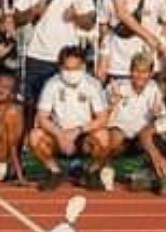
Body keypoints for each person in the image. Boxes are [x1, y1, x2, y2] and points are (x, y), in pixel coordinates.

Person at [14, 0, 95, 110]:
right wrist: (33, 11)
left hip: (68, 59)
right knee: (34, 106)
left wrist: (76, 16)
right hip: (38, 56)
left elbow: (89, 23)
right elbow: (17, 19)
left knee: (66, 107)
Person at [28, 44, 109, 189]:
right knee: (35, 136)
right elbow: (42, 117)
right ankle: (54, 171)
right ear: (60, 67)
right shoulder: (52, 84)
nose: (71, 73)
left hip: (83, 135)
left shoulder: (93, 84)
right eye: (67, 68)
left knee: (103, 136)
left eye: (75, 68)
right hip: (58, 135)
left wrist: (78, 131)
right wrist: (60, 135)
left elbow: (102, 118)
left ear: (83, 66)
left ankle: (92, 172)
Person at [88, 52, 166, 193]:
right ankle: (98, 170)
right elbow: (98, 118)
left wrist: (157, 116)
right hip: (119, 135)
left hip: (141, 137)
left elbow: (162, 121)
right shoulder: (116, 87)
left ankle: (161, 178)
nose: (140, 76)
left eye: (144, 72)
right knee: (114, 135)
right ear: (130, 71)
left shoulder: (154, 89)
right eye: (136, 71)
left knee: (158, 138)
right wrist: (112, 105)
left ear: (151, 74)